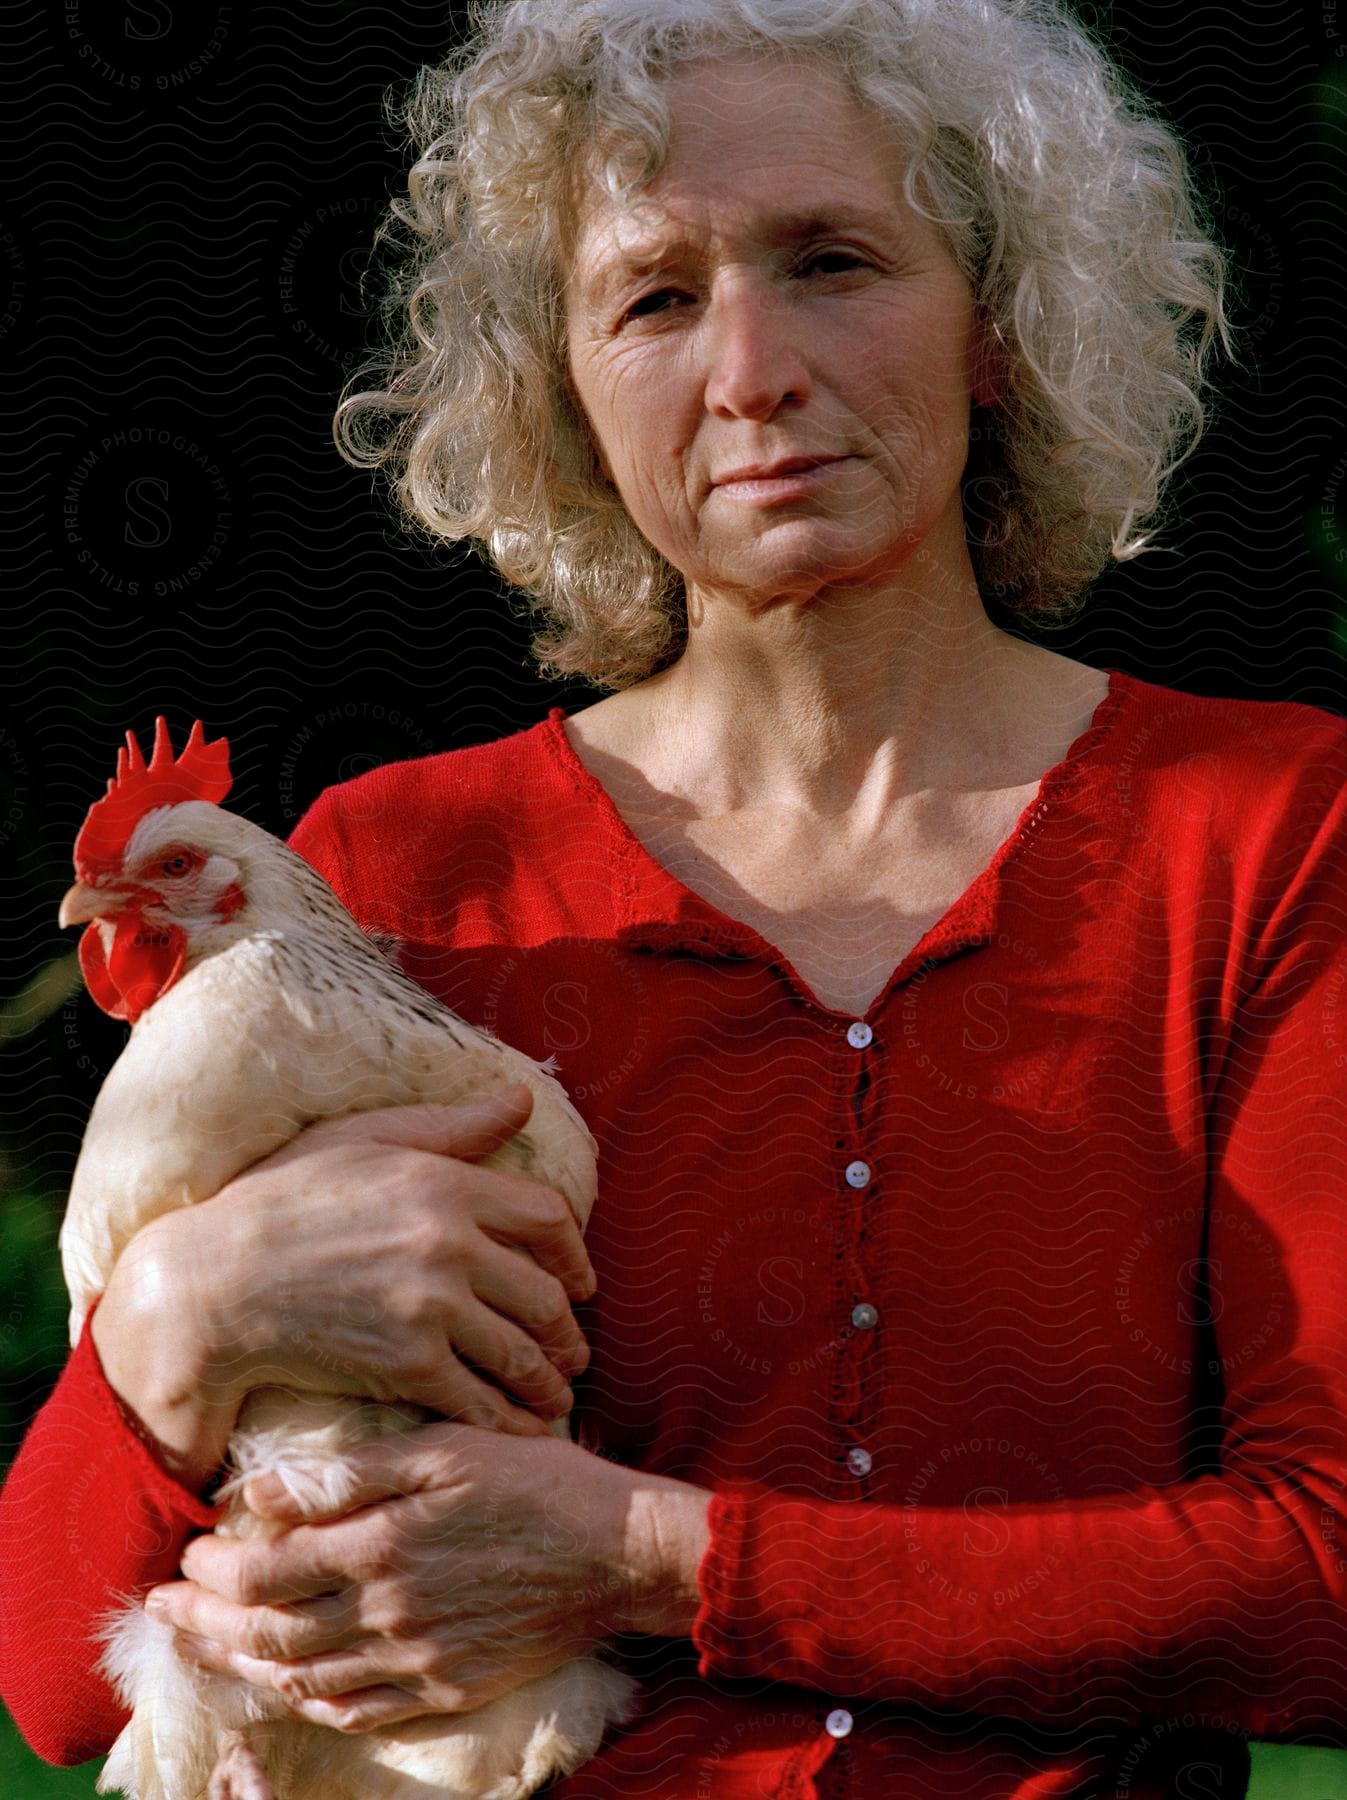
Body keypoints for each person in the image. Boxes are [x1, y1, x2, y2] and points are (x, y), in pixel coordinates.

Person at [3, 0, 1346, 1795]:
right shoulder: (396, 877)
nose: (751, 368)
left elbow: (1325, 1584)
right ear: (560, 389)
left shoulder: (1267, 831)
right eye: (651, 297)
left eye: (836, 260)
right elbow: (49, 1682)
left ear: (1002, 324)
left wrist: (650, 1558)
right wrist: (176, 1335)